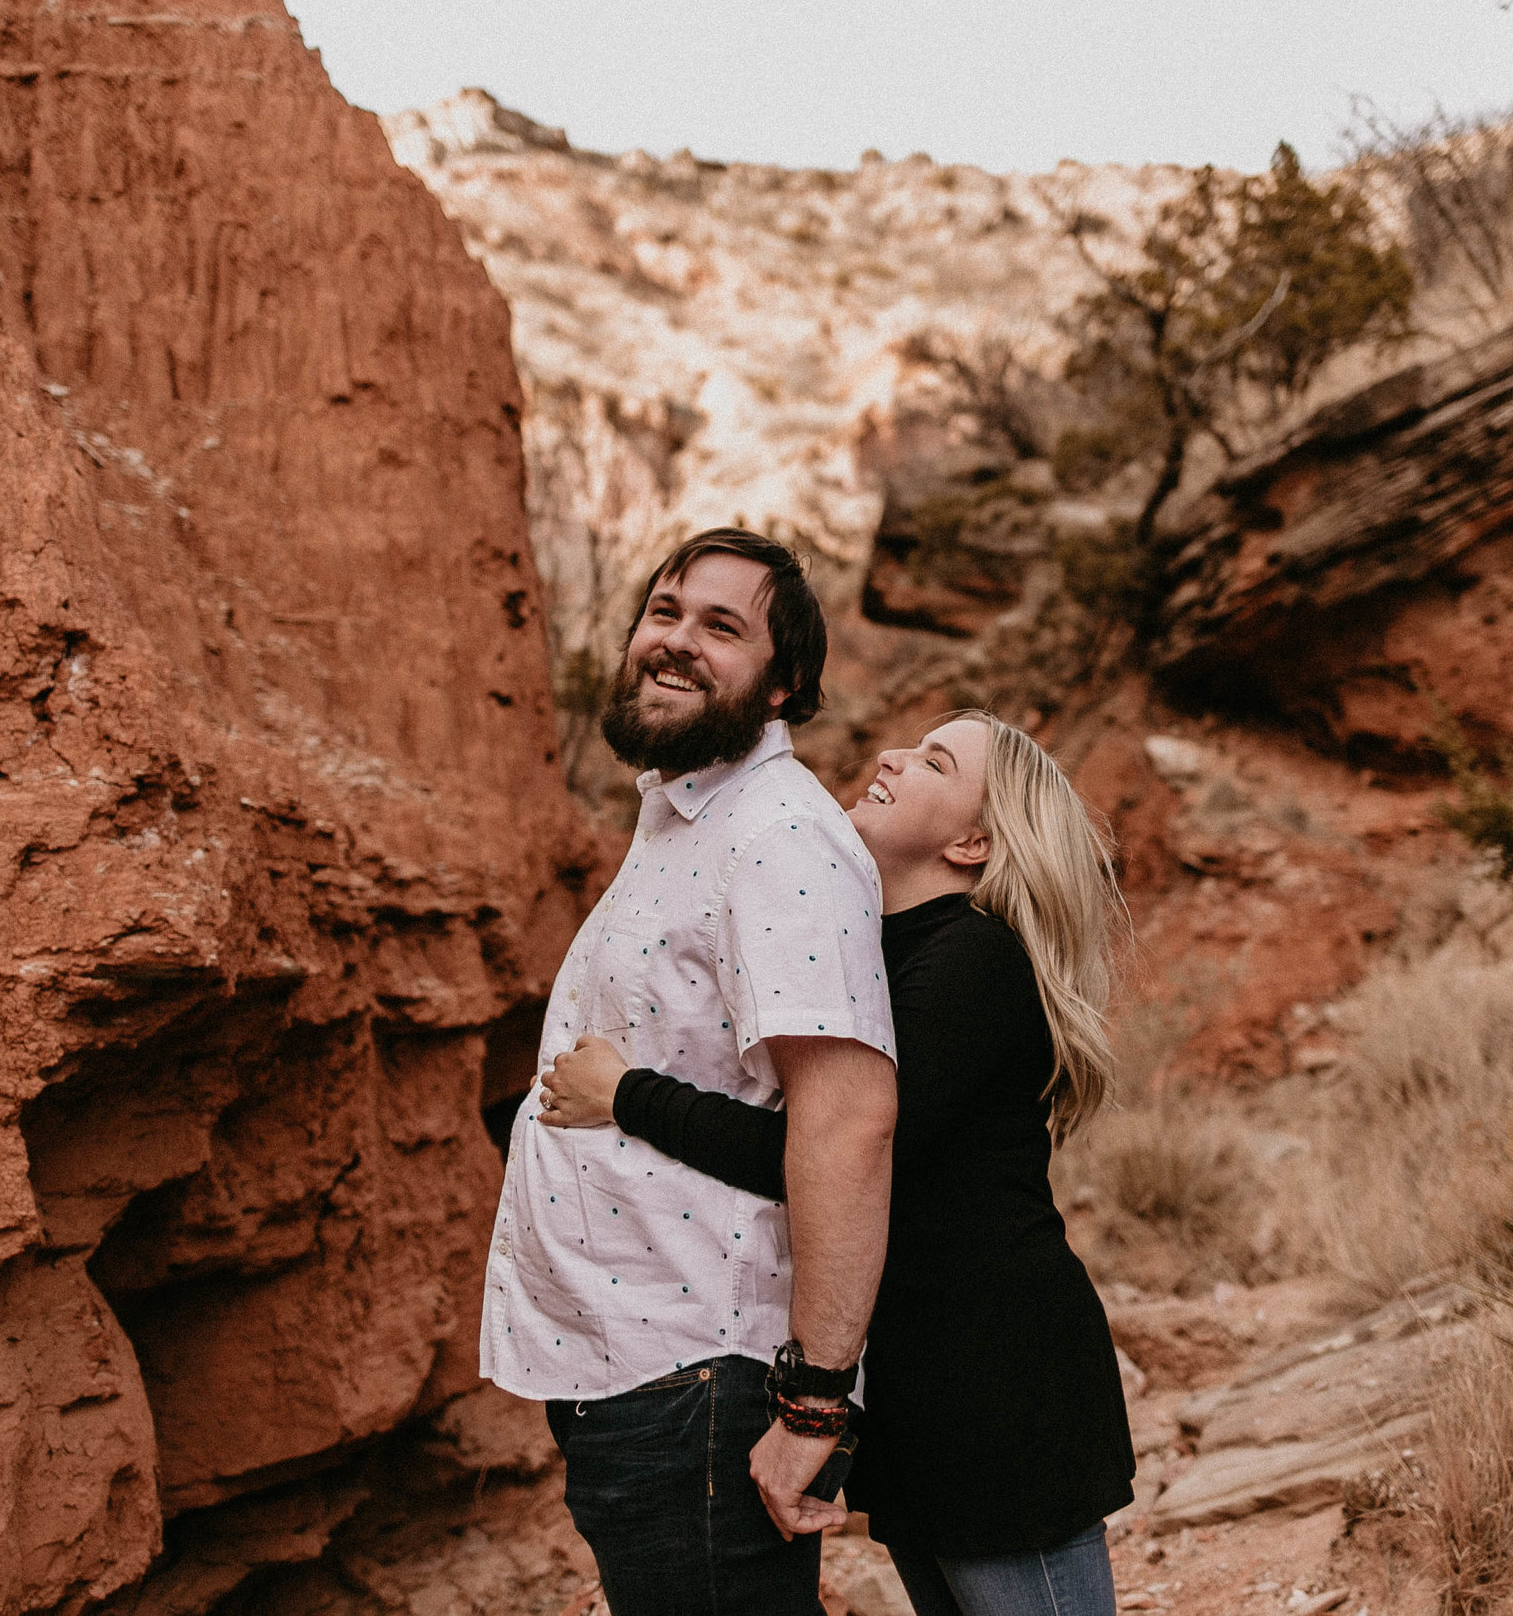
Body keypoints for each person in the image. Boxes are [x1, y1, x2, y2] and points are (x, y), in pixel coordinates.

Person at [539, 709, 1137, 1616]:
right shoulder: (878, 952)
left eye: (935, 761)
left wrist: (627, 1093)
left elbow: (825, 1151)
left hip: (1002, 1394)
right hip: (924, 1395)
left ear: (975, 840)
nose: (893, 754)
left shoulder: (973, 959)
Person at [480, 528, 899, 1616]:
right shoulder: (682, 817)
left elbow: (848, 1118)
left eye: (722, 626)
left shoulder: (778, 836)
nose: (675, 640)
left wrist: (815, 1405)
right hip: (634, 1372)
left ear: (783, 682)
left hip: (700, 1380)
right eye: (664, 611)